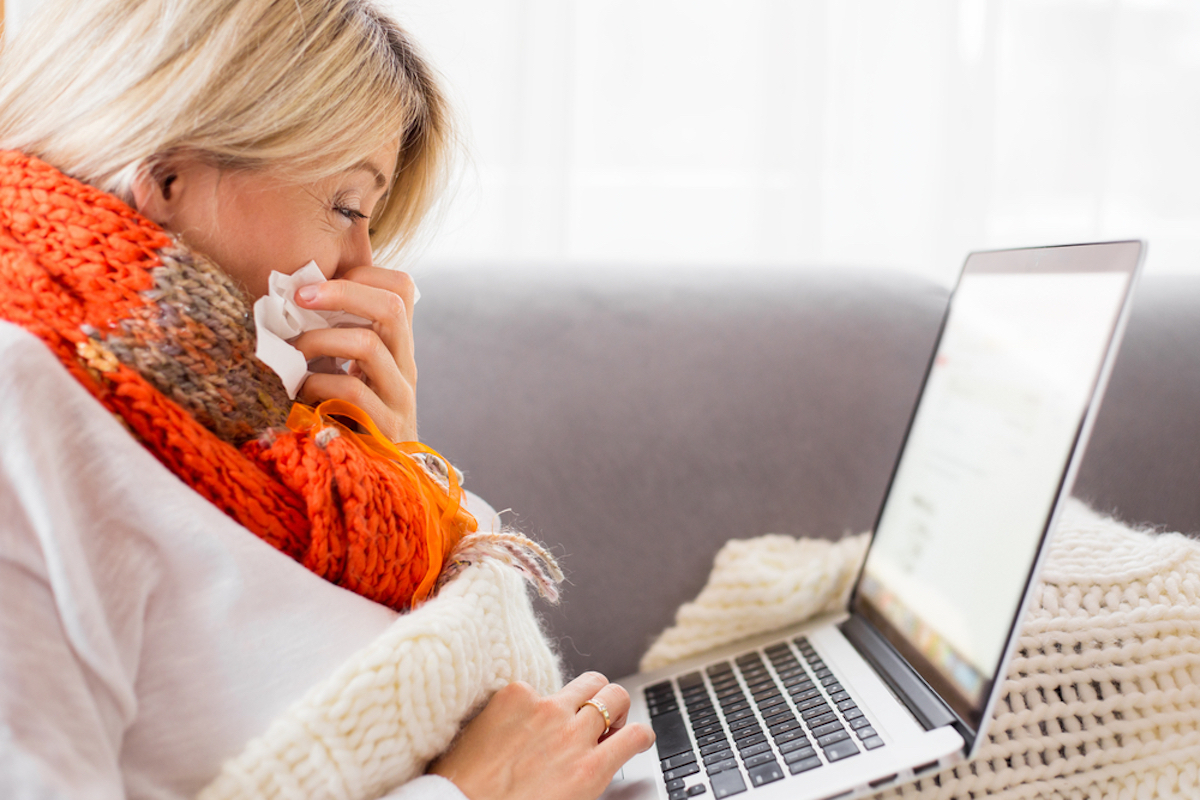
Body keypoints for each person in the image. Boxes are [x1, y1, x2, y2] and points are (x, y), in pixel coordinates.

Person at [0, 1, 653, 798]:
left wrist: (391, 464)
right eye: (348, 207)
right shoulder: (22, 401)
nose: (364, 266)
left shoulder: (241, 425)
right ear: (169, 178)